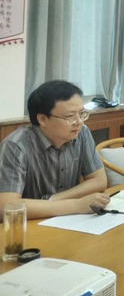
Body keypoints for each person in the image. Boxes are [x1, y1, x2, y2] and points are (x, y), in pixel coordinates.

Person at [0, 80, 110, 219]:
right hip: (31, 224)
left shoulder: (81, 133)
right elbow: (7, 206)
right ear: (43, 119)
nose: (79, 122)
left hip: (68, 220)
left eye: (82, 113)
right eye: (69, 116)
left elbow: (99, 180)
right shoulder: (16, 146)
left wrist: (53, 199)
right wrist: (76, 205)